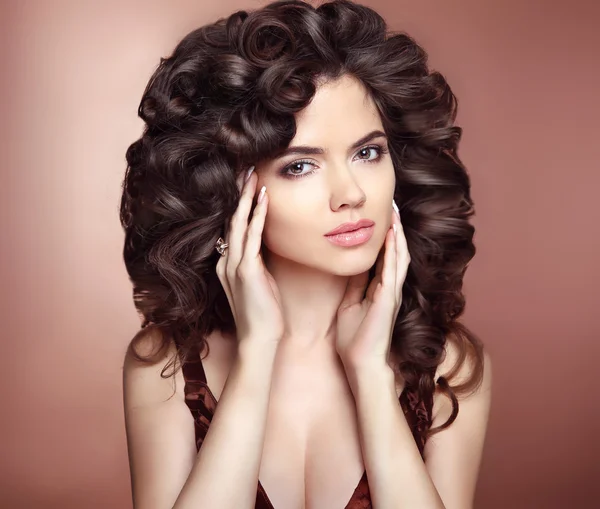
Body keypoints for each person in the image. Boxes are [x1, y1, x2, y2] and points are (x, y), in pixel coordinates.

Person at [119, 1, 492, 508]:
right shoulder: (167, 366)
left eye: (368, 152)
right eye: (300, 166)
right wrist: (255, 355)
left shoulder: (448, 366)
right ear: (227, 190)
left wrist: (371, 377)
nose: (351, 193)